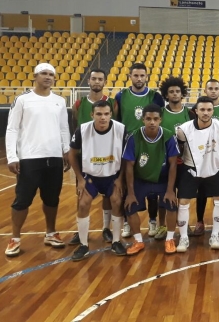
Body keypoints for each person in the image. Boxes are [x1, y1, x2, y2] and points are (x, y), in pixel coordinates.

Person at [5, 63, 71, 257]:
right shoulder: (23, 100)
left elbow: (64, 129)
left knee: (52, 199)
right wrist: (12, 155)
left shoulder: (59, 101)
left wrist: (66, 150)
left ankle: (51, 233)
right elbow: (12, 128)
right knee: (22, 200)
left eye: (51, 74)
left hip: (54, 158)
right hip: (29, 159)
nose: (48, 77)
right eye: (44, 73)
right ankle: (15, 238)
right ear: (35, 76)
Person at [68, 100, 127, 260]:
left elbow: (127, 157)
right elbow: (71, 154)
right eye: (99, 114)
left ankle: (116, 241)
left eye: (106, 114)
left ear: (111, 115)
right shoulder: (83, 129)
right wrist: (80, 179)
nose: (103, 117)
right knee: (83, 203)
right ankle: (83, 245)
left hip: (112, 175)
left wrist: (120, 178)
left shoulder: (120, 129)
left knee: (116, 200)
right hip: (91, 176)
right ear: (92, 114)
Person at [114, 62, 166, 238]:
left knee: (151, 183)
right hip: (128, 145)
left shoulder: (155, 97)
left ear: (146, 77)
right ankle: (128, 222)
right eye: (135, 75)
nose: (139, 78)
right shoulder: (121, 96)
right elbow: (117, 120)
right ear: (130, 76)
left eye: (142, 75)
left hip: (151, 145)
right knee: (128, 185)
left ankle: (152, 221)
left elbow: (160, 119)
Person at [122, 104, 179, 255]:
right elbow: (129, 166)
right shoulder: (134, 137)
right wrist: (131, 192)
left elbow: (173, 165)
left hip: (162, 179)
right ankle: (138, 241)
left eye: (155, 119)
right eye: (148, 119)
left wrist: (170, 190)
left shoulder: (168, 136)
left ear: (160, 119)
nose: (152, 122)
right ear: (143, 120)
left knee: (172, 204)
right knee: (129, 206)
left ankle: (170, 239)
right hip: (141, 179)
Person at [68, 68, 116, 246]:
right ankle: (82, 232)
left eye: (100, 79)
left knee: (109, 195)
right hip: (85, 157)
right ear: (89, 81)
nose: (97, 82)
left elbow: (115, 126)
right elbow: (75, 127)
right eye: (94, 79)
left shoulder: (111, 103)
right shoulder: (79, 104)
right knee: (81, 194)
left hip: (107, 155)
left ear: (105, 82)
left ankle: (106, 228)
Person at [176, 96, 219, 250]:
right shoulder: (183, 130)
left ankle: (215, 235)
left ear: (213, 110)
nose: (206, 113)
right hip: (190, 168)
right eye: (202, 109)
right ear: (196, 111)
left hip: (214, 168)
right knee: (183, 202)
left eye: (209, 110)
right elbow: (178, 153)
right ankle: (184, 238)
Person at [194, 79, 219, 236]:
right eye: (210, 88)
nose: (213, 91)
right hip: (202, 156)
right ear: (205, 90)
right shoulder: (198, 109)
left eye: (216, 88)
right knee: (201, 191)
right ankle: (199, 222)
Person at [158, 76, 192, 241]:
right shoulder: (161, 113)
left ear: (182, 93)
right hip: (166, 160)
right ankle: (162, 225)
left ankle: (186, 224)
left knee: (184, 194)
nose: (175, 94)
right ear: (166, 94)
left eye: (177, 91)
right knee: (165, 193)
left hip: (184, 161)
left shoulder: (189, 113)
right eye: (171, 91)